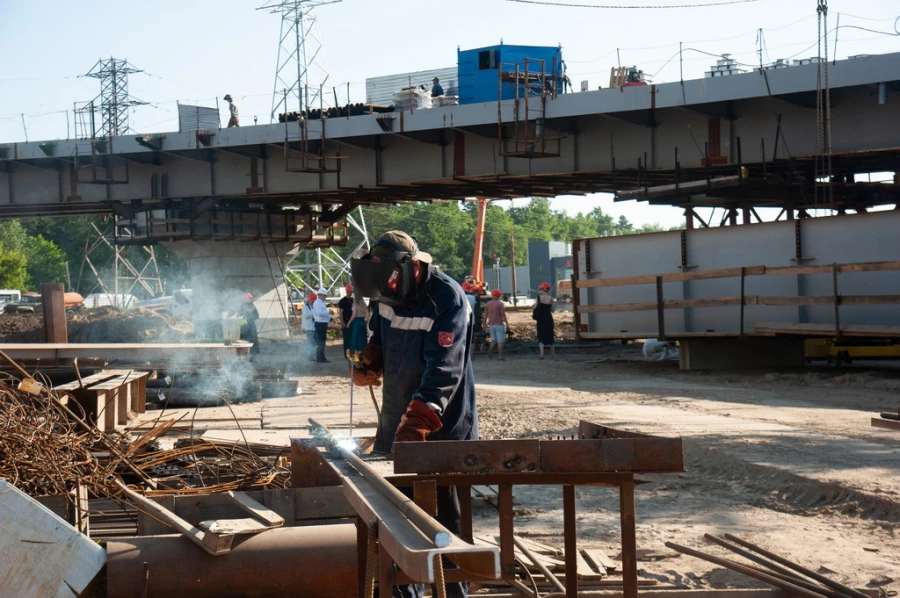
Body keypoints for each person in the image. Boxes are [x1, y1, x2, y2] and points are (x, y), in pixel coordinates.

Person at [350, 230, 477, 598]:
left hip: (440, 427)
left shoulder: (447, 299)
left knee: (443, 519)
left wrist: (417, 422)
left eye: (389, 281)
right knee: (395, 516)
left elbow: (444, 371)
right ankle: (405, 592)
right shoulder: (385, 293)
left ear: (412, 267)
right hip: (396, 421)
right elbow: (380, 336)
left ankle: (452, 592)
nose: (386, 292)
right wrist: (372, 359)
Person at [483, 289, 510, 361]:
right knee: (500, 341)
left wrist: (484, 324)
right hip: (499, 324)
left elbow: (485, 315)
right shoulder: (500, 304)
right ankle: (500, 356)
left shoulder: (488, 304)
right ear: (499, 296)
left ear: (492, 295)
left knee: (493, 339)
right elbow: (503, 315)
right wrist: (507, 324)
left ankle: (490, 349)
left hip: (491, 324)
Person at [534, 282, 555, 360]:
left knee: (541, 335)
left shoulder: (538, 298)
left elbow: (535, 307)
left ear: (542, 289)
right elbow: (553, 310)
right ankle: (552, 354)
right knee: (550, 335)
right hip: (549, 319)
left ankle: (542, 353)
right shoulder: (551, 299)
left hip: (541, 319)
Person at [346, 290, 369, 356]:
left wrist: (349, 322)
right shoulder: (364, 304)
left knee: (355, 337)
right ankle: (362, 351)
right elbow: (367, 312)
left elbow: (354, 315)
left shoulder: (355, 304)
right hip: (363, 322)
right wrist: (366, 320)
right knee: (362, 337)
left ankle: (354, 352)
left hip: (357, 322)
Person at [312, 289, 331, 363]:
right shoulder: (318, 303)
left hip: (322, 324)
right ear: (320, 295)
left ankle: (320, 357)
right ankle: (321, 358)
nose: (325, 297)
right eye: (324, 295)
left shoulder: (320, 303)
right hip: (320, 324)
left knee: (321, 342)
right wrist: (328, 311)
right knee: (321, 342)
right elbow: (320, 313)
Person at [338, 285, 355, 359]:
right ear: (346, 291)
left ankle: (352, 353)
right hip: (345, 321)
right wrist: (342, 322)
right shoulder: (342, 301)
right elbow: (341, 312)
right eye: (348, 292)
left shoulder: (353, 300)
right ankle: (346, 354)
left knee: (352, 338)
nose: (349, 293)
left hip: (352, 322)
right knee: (347, 339)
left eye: (351, 292)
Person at [301, 292, 317, 361]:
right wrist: (313, 311)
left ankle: (313, 354)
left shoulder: (313, 306)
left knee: (314, 342)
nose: (312, 302)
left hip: (314, 327)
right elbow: (306, 316)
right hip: (309, 327)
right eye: (312, 300)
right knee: (310, 342)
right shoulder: (305, 307)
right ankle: (310, 355)